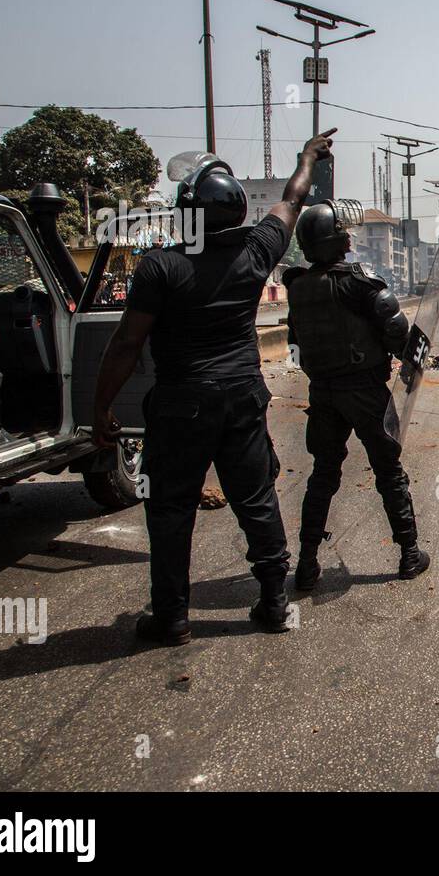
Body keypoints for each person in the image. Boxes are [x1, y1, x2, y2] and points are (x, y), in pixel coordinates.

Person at [92, 130, 337, 646]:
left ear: (188, 212)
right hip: (242, 397)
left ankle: (172, 618)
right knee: (256, 499)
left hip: (181, 403)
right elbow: (293, 199)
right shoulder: (256, 252)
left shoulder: (161, 266)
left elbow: (126, 344)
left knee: (169, 509)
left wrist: (101, 407)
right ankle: (274, 604)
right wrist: (307, 158)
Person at [281, 200, 430, 588]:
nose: (350, 238)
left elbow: (295, 345)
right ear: (333, 241)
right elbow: (398, 336)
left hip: (323, 393)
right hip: (364, 392)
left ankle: (307, 564)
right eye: (343, 233)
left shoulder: (297, 288)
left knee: (322, 475)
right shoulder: (361, 282)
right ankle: (409, 554)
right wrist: (410, 357)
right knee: (388, 471)